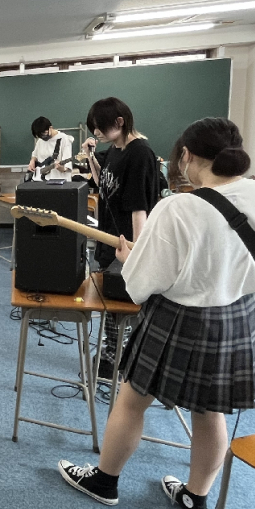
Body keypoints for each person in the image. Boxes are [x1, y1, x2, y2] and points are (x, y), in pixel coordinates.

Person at [59, 118, 255, 509]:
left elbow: (140, 286)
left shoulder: (177, 207)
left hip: (177, 317)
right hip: (236, 317)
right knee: (211, 412)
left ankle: (105, 482)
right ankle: (195, 500)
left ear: (186, 155)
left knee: (132, 400)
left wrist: (130, 258)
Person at [82, 97, 160, 378]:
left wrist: (136, 255)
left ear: (119, 122)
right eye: (93, 127)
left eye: (99, 127)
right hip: (109, 240)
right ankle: (110, 354)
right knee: (110, 304)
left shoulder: (140, 153)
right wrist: (91, 158)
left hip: (126, 245)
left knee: (122, 307)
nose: (96, 133)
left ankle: (116, 361)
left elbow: (140, 207)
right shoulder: (115, 149)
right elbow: (103, 183)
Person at [26, 117, 75, 181]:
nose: (42, 137)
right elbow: (35, 155)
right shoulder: (40, 141)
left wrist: (59, 167)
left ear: (50, 128)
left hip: (59, 181)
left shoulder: (64, 139)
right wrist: (32, 161)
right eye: (40, 136)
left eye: (44, 134)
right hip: (40, 180)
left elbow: (66, 168)